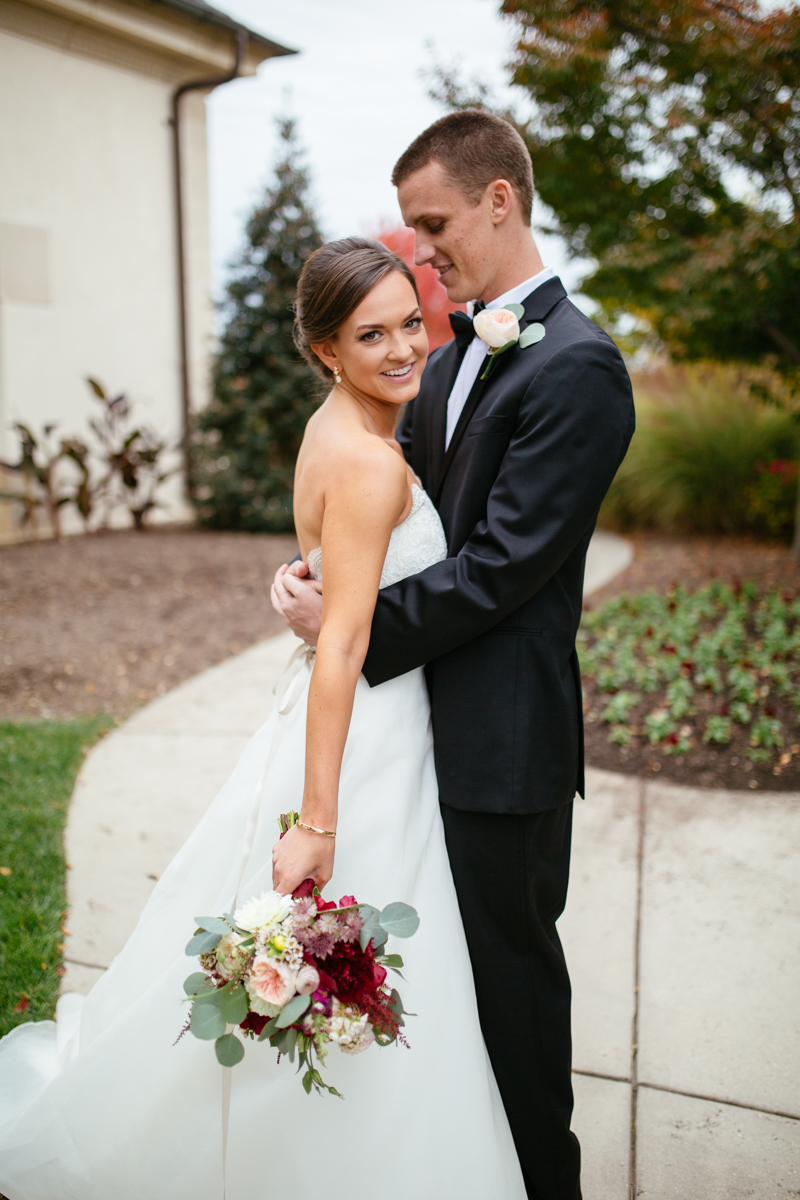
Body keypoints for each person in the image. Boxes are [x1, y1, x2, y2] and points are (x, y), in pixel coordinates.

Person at [0, 238, 527, 1200]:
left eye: (412, 321)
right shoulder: (369, 464)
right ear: (326, 349)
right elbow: (342, 647)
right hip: (368, 737)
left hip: (351, 718)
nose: (405, 347)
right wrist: (319, 820)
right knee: (356, 949)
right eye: (372, 334)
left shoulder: (333, 429)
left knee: (344, 967)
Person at [271, 110, 636, 1200]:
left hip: (499, 742)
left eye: (432, 225)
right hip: (413, 727)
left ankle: (542, 1184)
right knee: (431, 981)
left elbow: (501, 568)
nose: (418, 251)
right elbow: (396, 520)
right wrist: (311, 581)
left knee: (512, 987)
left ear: (498, 200)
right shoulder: (443, 359)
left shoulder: (579, 369)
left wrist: (347, 629)